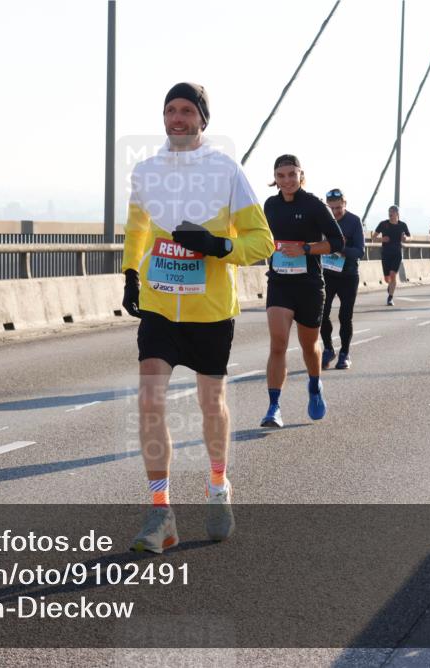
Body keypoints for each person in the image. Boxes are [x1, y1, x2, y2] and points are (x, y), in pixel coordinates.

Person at [120, 83, 274, 553]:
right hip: (161, 305)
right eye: (170, 110)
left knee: (211, 404)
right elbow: (138, 227)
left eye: (187, 110)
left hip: (210, 310)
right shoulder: (147, 171)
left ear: (202, 119)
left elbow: (262, 241)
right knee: (149, 399)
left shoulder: (226, 170)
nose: (177, 118)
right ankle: (161, 511)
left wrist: (219, 246)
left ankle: (217, 485)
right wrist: (130, 272)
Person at [259, 158, 345, 429]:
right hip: (279, 283)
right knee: (278, 343)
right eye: (281, 175)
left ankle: (314, 383)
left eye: (292, 175)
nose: (287, 180)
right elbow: (263, 238)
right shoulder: (270, 205)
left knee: (309, 346)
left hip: (309, 285)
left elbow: (337, 242)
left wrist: (306, 249)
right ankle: (274, 407)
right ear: (275, 177)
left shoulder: (314, 205)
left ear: (301, 175)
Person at [320, 188, 364, 372]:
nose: (335, 212)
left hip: (348, 275)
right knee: (321, 314)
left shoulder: (354, 221)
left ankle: (345, 353)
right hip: (327, 274)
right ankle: (329, 349)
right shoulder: (323, 221)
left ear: (344, 204)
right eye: (332, 208)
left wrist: (341, 249)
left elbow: (360, 251)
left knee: (345, 316)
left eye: (338, 208)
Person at [373, 206, 411, 305]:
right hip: (385, 254)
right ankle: (390, 286)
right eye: (389, 211)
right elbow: (373, 237)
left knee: (393, 275)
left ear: (397, 213)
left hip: (397, 253)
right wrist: (382, 239)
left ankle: (390, 298)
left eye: (393, 212)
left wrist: (405, 238)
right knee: (387, 278)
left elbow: (410, 237)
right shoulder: (383, 224)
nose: (390, 213)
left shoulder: (402, 225)